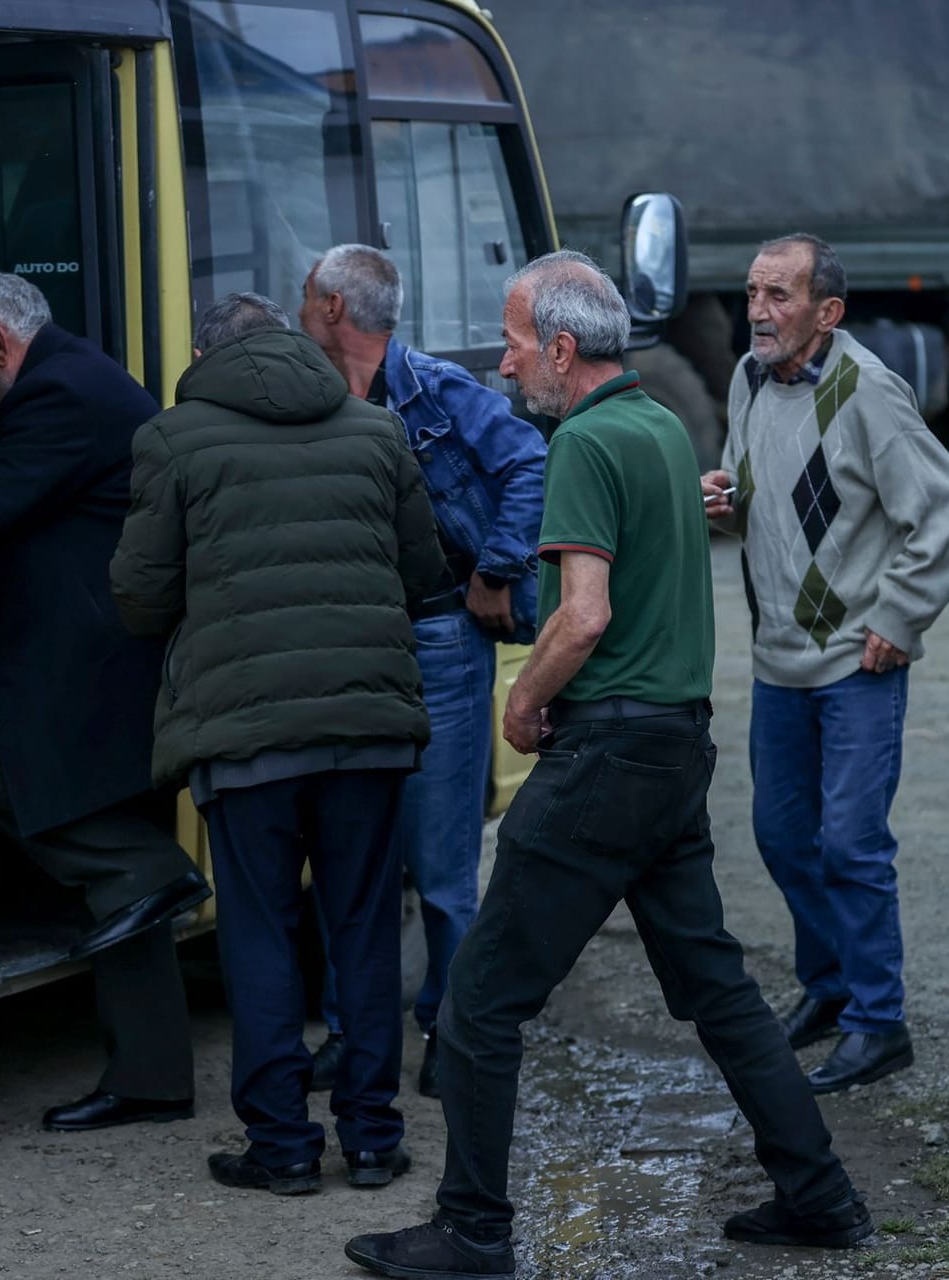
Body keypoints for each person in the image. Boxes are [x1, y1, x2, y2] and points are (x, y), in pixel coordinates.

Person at [347, 252, 872, 1280]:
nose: (501, 366)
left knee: (480, 1000)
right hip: (674, 746)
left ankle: (475, 1231)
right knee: (717, 988)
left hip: (607, 753)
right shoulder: (660, 427)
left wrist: (524, 694)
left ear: (559, 346)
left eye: (510, 342)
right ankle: (822, 1194)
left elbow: (582, 614)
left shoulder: (584, 441)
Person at [111, 292, 447, 1196]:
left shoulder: (175, 440)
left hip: (245, 733)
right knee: (364, 931)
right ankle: (374, 1139)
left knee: (260, 935)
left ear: (205, 355)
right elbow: (426, 574)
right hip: (368, 732)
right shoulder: (375, 432)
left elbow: (140, 598)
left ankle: (284, 1149)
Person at [701, 234, 949, 1094]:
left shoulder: (868, 391)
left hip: (857, 661)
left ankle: (878, 1022)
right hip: (781, 658)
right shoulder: (750, 379)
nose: (759, 311)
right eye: (753, 293)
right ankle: (831, 989)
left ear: (829, 313)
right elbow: (774, 499)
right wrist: (728, 500)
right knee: (784, 839)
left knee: (853, 845)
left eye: (780, 296)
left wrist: (899, 617)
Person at [0, 271, 210, 1133]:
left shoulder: (59, 391)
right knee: (119, 889)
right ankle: (152, 1076)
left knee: (1, 763)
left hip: (92, 666)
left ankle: (157, 871)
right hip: (98, 656)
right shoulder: (73, 374)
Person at [298, 243, 546, 1099]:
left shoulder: (433, 387)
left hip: (439, 639)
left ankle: (451, 1029)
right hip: (351, 644)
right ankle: (350, 1033)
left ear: (333, 306)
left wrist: (497, 569)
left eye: (306, 298)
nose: (301, 313)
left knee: (440, 871)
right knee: (350, 859)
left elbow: (528, 461)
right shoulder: (312, 394)